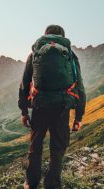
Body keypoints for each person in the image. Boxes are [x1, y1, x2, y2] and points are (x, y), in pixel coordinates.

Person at [18, 25, 86, 189]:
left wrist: (24, 111)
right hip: (62, 108)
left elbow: (25, 83)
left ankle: (31, 183)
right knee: (57, 148)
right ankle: (53, 185)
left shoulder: (35, 53)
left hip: (40, 106)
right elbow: (80, 87)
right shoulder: (69, 55)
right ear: (63, 37)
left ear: (45, 35)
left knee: (35, 146)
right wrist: (78, 117)